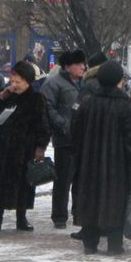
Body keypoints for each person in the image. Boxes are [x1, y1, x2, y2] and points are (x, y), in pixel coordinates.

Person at [73, 60, 131, 255]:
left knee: (90, 199)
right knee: (116, 201)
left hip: (89, 162)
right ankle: (114, 244)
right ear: (119, 80)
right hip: (117, 164)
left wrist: (78, 157)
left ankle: (90, 242)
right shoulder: (125, 104)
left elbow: (76, 131)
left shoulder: (88, 102)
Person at [0, 61, 51, 231]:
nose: (14, 85)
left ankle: (21, 218)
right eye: (12, 81)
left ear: (28, 81)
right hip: (4, 147)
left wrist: (40, 147)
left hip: (24, 148)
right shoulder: (7, 96)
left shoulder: (36, 98)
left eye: (18, 82)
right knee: (0, 184)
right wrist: (2, 96)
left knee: (23, 185)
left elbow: (43, 125)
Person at [40, 49, 85, 229]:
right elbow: (47, 106)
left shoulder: (84, 84)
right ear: (68, 66)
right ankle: (59, 216)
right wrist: (61, 124)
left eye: (83, 64)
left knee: (81, 179)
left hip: (82, 137)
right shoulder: (53, 83)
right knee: (63, 179)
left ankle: (79, 213)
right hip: (64, 138)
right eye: (79, 64)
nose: (83, 67)